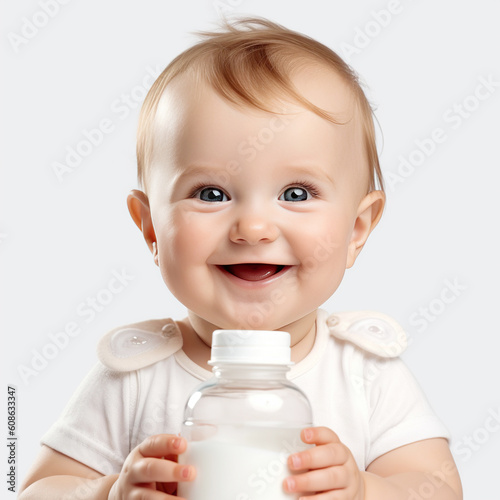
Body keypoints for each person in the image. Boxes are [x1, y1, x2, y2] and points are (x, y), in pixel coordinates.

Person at [19, 17, 462, 500]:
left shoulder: (366, 373)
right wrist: (109, 492)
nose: (253, 228)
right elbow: (39, 490)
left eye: (296, 192)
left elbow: (436, 488)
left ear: (357, 230)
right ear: (150, 228)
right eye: (210, 193)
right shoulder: (133, 378)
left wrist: (365, 490)